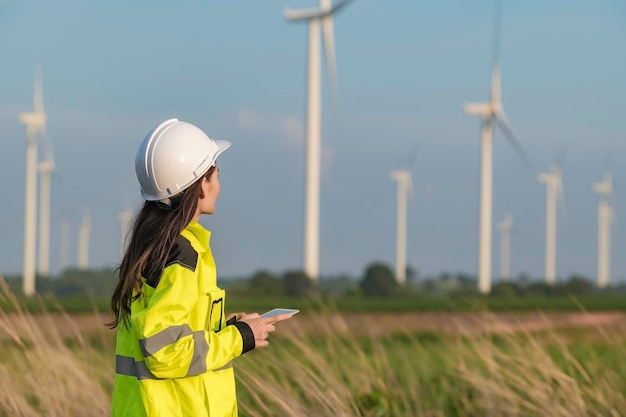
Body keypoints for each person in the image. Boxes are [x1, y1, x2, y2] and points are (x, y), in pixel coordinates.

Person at [110, 118, 292, 417]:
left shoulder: (157, 247)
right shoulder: (182, 256)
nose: (219, 185)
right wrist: (240, 338)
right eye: (216, 175)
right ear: (201, 186)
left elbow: (173, 329)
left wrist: (228, 327)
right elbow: (164, 352)